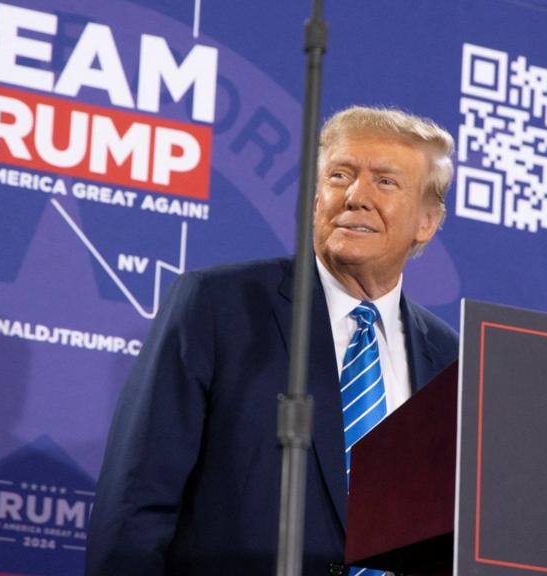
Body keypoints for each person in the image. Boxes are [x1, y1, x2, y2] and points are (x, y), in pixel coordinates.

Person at [86, 107, 460, 575]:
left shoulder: (451, 362)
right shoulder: (218, 307)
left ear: (427, 221)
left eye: (385, 182)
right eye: (339, 175)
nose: (355, 196)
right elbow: (135, 503)